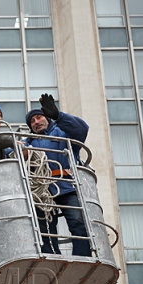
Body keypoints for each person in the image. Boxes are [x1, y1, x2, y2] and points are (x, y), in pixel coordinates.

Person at [24, 93, 91, 257]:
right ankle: (52, 257)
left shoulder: (63, 132)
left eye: (39, 117)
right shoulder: (28, 142)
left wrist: (59, 115)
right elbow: (10, 152)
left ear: (47, 118)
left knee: (78, 222)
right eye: (32, 121)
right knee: (45, 228)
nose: (36, 122)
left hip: (67, 185)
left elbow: (82, 129)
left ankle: (82, 258)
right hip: (42, 191)